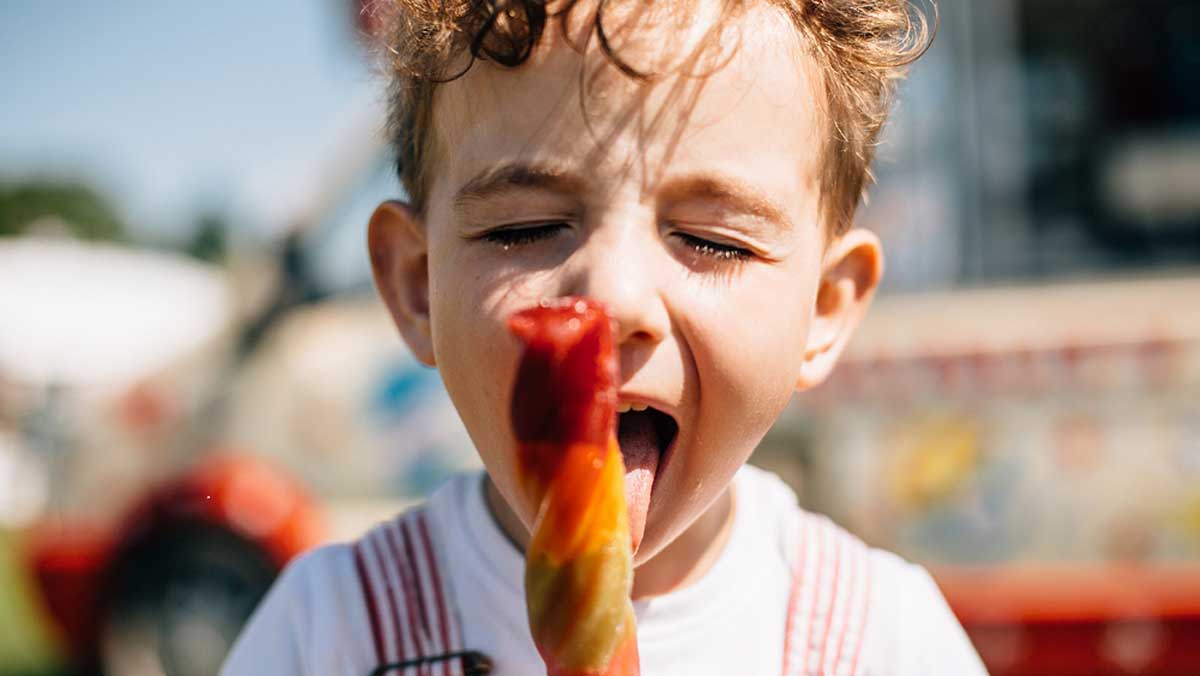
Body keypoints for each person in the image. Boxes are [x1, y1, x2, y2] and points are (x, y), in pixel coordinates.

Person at [222, 0, 987, 673]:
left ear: (822, 308)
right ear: (418, 287)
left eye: (712, 240)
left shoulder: (885, 638)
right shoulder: (334, 632)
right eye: (524, 229)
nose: (611, 299)